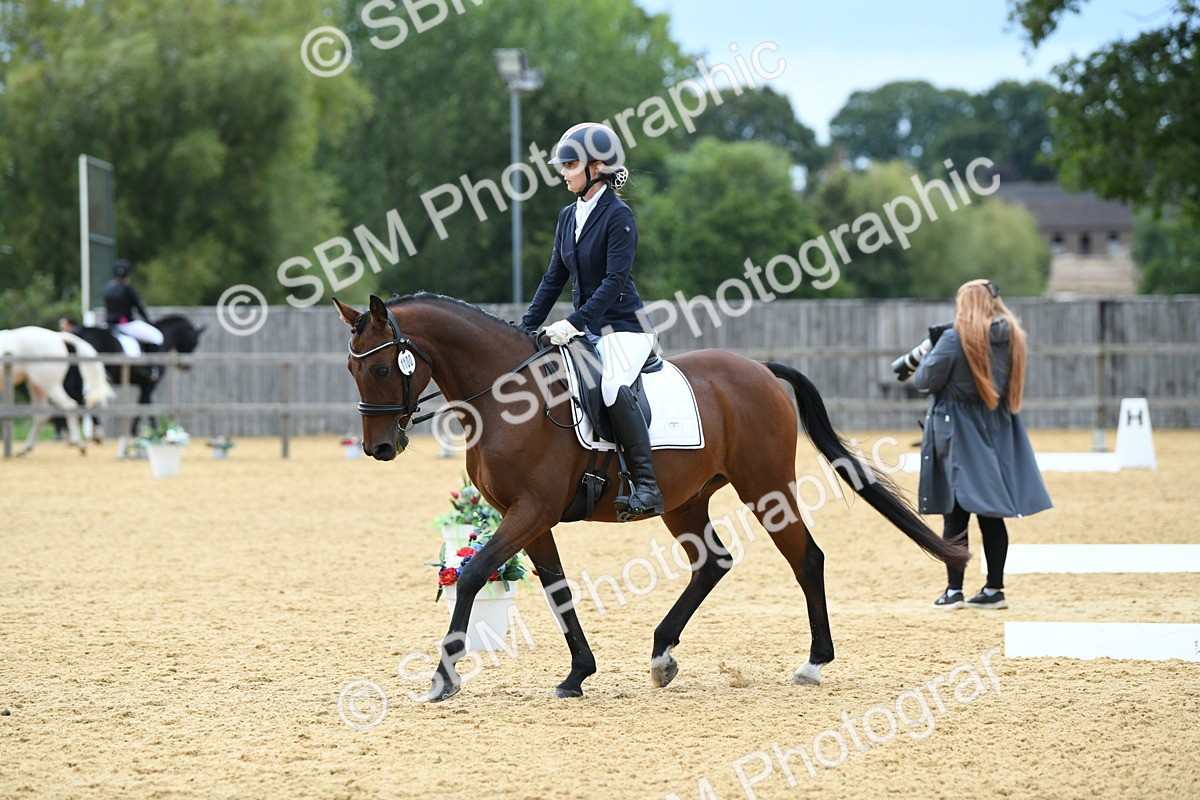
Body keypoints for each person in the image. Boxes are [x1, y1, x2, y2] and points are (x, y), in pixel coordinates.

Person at [520, 122, 664, 518]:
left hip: (625, 328)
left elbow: (615, 282)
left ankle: (647, 486)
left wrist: (573, 322)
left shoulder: (619, 216)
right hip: (586, 330)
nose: (563, 173)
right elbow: (554, 277)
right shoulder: (568, 216)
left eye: (570, 165)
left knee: (613, 385)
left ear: (596, 167)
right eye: (563, 165)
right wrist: (526, 327)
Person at [912, 279, 1052, 610]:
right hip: (995, 427)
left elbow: (923, 380)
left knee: (955, 511)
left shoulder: (955, 338)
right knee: (990, 511)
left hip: (958, 431)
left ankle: (954, 590)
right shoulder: (1011, 337)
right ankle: (994, 588)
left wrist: (931, 350)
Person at [104, 260, 163, 352]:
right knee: (157, 337)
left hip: (108, 324)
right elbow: (139, 307)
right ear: (128, 275)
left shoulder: (107, 288)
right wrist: (148, 321)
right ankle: (152, 360)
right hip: (126, 324)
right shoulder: (128, 289)